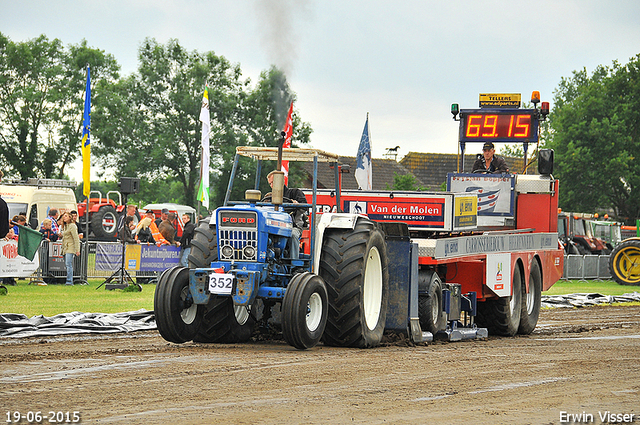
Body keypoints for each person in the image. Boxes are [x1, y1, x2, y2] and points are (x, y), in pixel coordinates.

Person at [266, 170, 308, 260]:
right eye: (270, 184)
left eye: (274, 182)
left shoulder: (295, 193)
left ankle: (294, 263)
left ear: (281, 181)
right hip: (274, 227)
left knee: (292, 235)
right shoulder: (269, 198)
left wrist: (296, 204)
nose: (272, 186)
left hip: (293, 226)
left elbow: (304, 207)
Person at [60, 212, 80, 286]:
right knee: (66, 264)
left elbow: (76, 238)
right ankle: (69, 280)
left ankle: (69, 281)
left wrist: (77, 249)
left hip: (70, 247)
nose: (64, 217)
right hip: (65, 247)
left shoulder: (72, 226)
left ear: (70, 217)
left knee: (69, 264)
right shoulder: (65, 226)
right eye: (63, 216)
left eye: (66, 216)